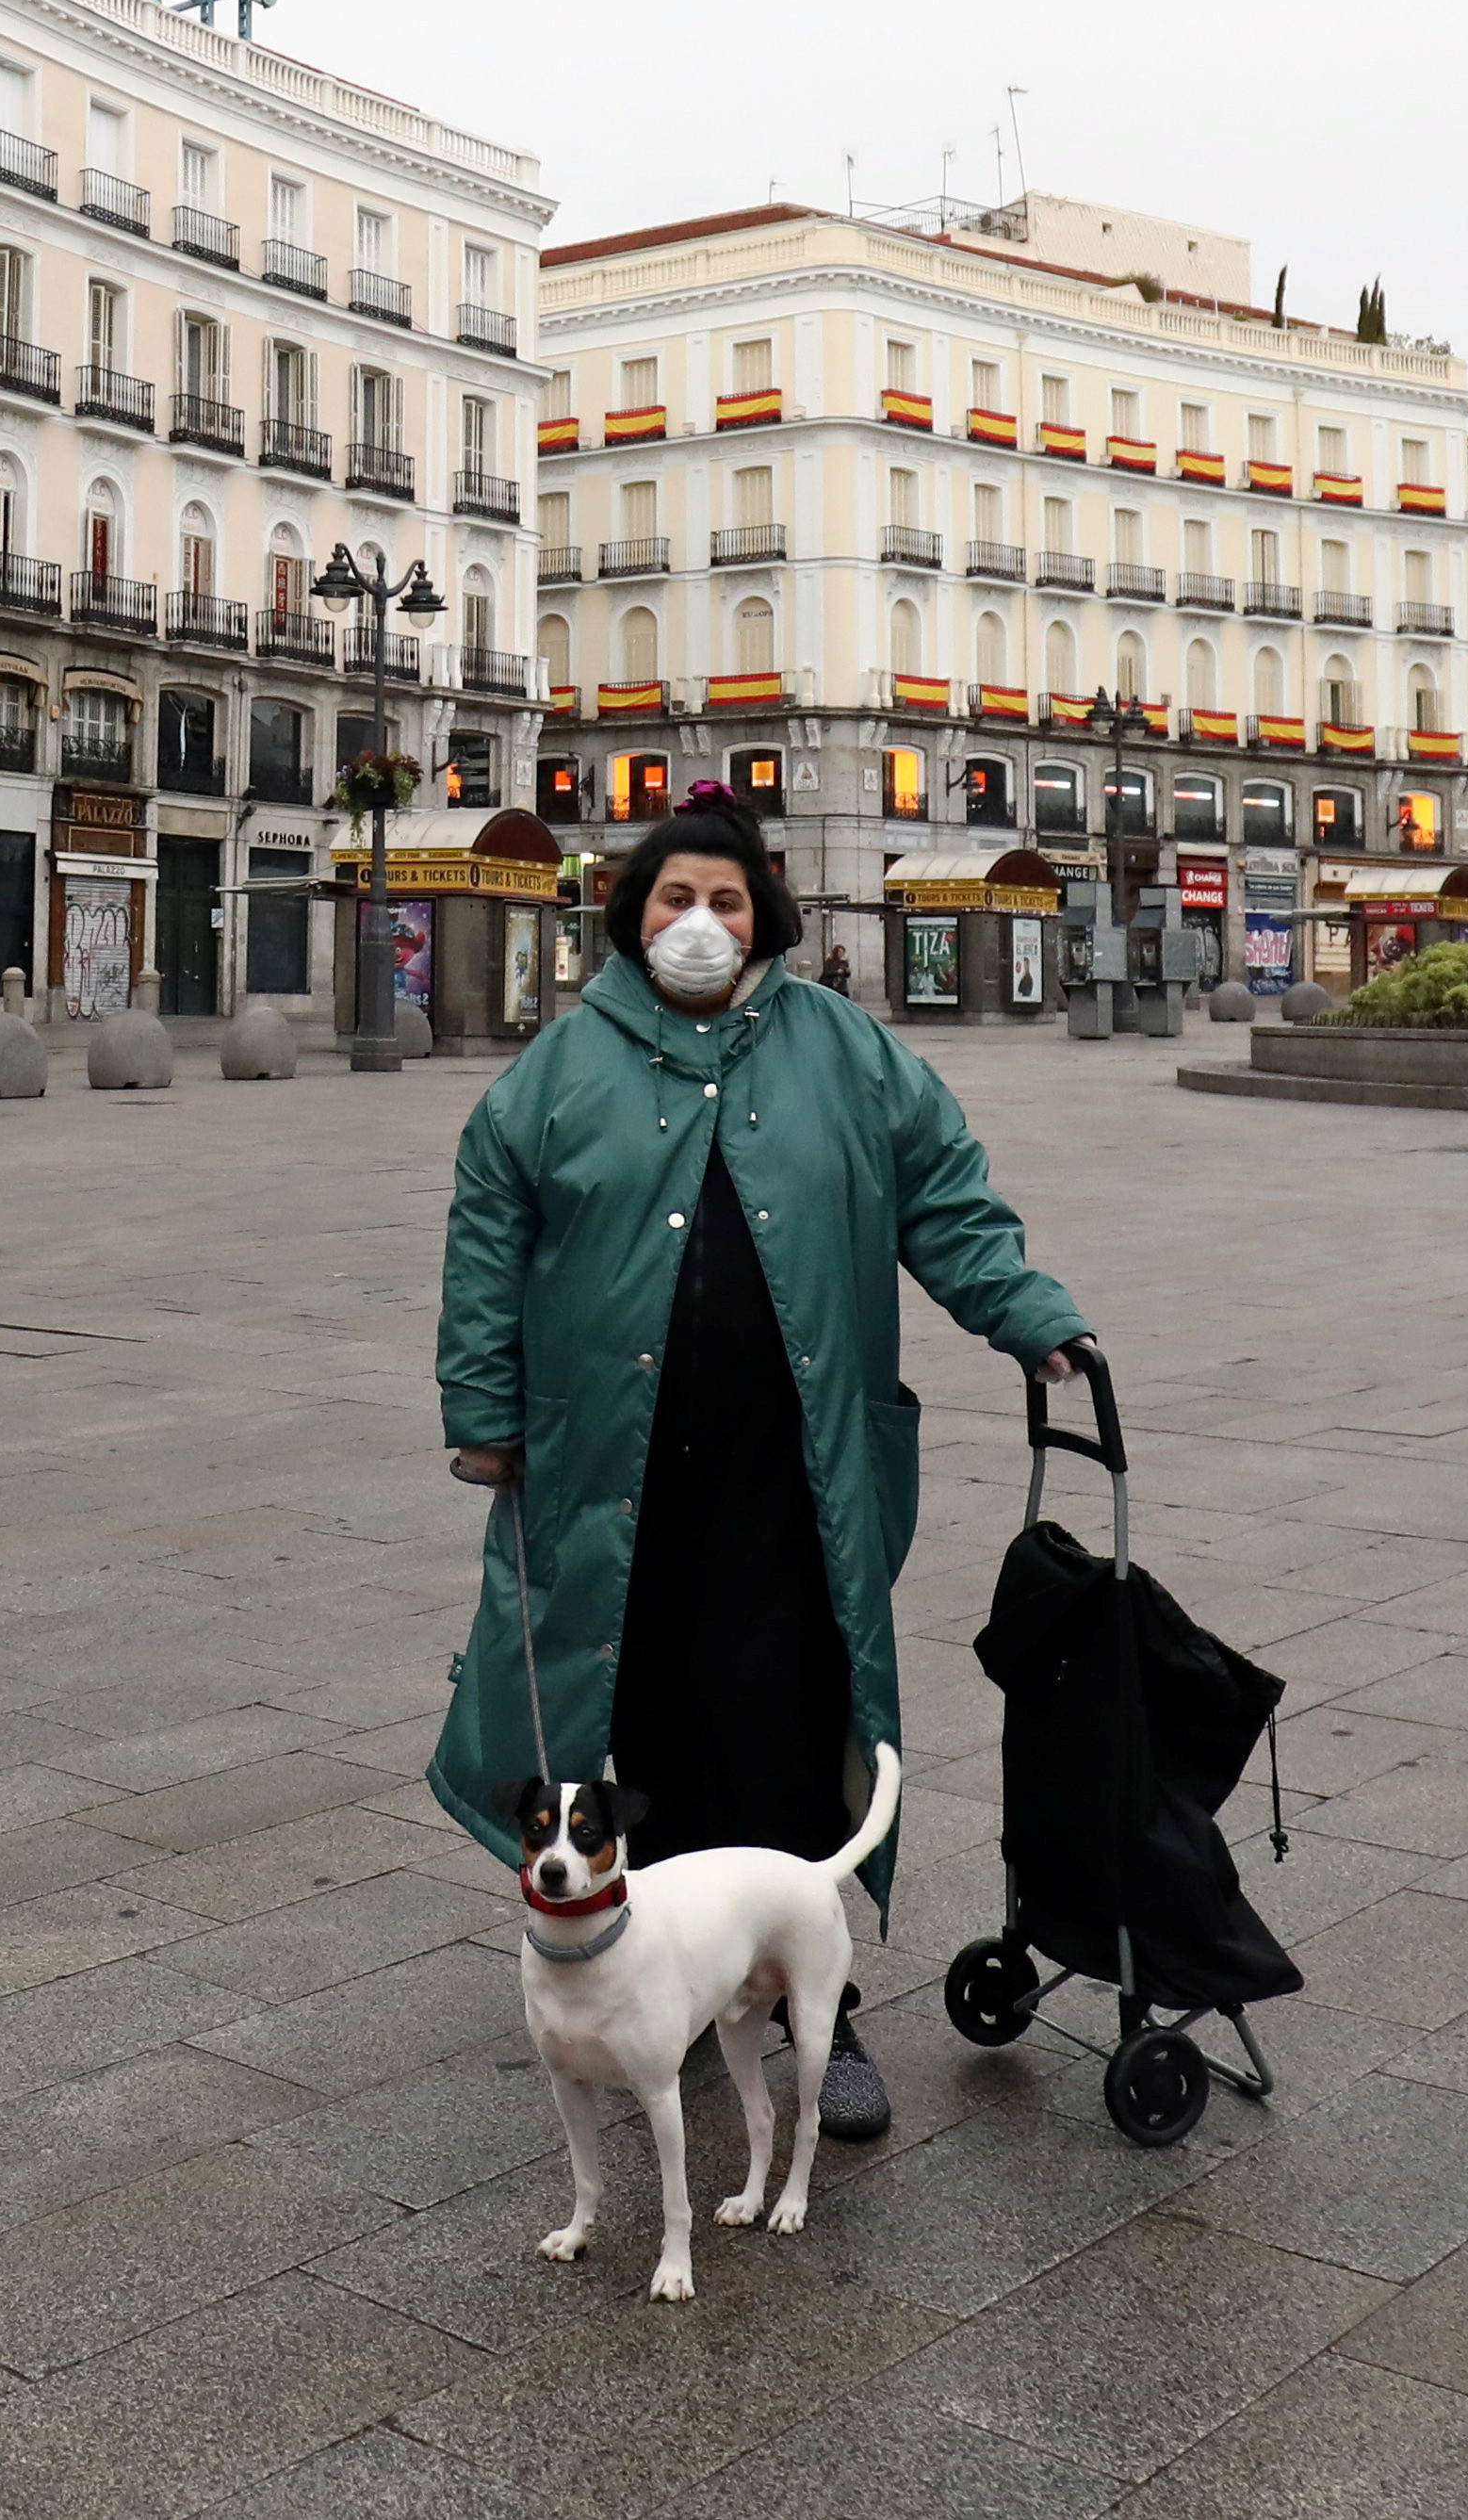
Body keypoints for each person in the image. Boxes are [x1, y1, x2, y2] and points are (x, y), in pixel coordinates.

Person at [431, 784, 1089, 2141]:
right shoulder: (556, 1068)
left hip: (797, 1477)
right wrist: (483, 1403)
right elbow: (487, 1229)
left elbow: (946, 1195)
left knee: (793, 1723)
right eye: (676, 896)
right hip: (620, 1479)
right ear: (632, 914)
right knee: (649, 1725)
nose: (699, 920)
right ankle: (654, 1992)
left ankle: (820, 2017)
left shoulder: (847, 1049)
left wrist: (1031, 1317)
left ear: (766, 915)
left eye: (726, 898)